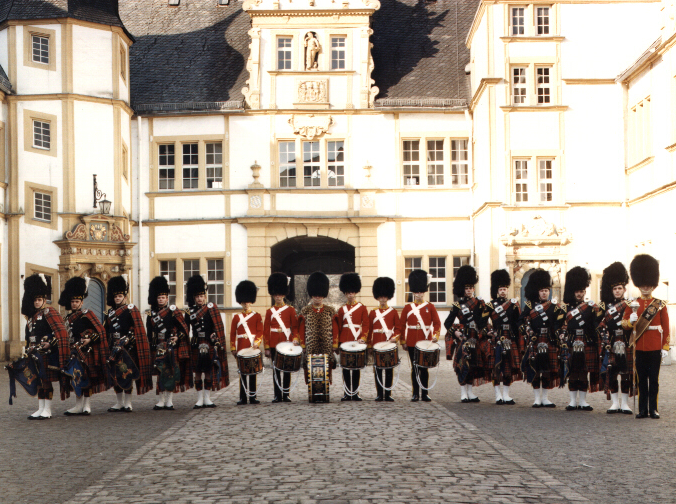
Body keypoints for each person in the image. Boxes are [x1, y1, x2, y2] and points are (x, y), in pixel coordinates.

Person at [622, 254, 670, 419]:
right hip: (639, 346)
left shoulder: (660, 305)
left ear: (653, 286)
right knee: (641, 379)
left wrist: (665, 347)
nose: (645, 288)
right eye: (643, 285)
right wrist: (630, 321)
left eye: (648, 285)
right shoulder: (632, 304)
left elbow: (666, 327)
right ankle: (642, 409)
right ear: (639, 285)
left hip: (655, 346)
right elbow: (623, 323)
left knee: (654, 381)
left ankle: (653, 409)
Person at [59, 276, 109, 416]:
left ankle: (87, 405)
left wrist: (89, 340)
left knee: (87, 378)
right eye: (73, 302)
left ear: (82, 302)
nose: (74, 304)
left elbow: (100, 332)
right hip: (73, 352)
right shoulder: (67, 319)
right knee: (76, 378)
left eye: (77, 301)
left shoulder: (87, 314)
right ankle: (78, 405)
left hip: (87, 351)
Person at [22, 274, 70, 420]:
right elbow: (28, 336)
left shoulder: (50, 312)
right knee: (38, 382)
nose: (37, 302)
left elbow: (61, 333)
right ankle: (40, 408)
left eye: (39, 300)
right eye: (35, 300)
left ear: (44, 300)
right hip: (34, 354)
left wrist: (51, 342)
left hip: (47, 354)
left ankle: (47, 409)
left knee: (46, 381)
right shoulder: (32, 317)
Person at [104, 275, 153, 412]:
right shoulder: (110, 313)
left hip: (127, 347)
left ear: (125, 297)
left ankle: (128, 403)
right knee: (115, 375)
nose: (118, 298)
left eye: (120, 296)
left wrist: (129, 339)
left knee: (127, 374)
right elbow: (106, 330)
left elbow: (137, 328)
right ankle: (119, 403)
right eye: (116, 296)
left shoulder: (131, 310)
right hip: (114, 347)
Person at [519, 269, 566, 408]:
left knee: (547, 371)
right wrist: (528, 332)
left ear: (549, 291)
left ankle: (545, 398)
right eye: (542, 290)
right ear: (537, 292)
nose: (544, 293)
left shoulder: (555, 307)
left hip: (549, 341)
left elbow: (561, 323)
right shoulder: (529, 306)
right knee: (535, 368)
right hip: (536, 340)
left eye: (546, 290)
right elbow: (520, 322)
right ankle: (536, 399)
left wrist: (560, 334)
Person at [146, 276, 192, 410]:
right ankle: (160, 400)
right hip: (158, 346)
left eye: (163, 297)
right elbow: (149, 333)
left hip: (171, 346)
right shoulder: (151, 314)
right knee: (160, 373)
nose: (161, 300)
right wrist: (150, 345)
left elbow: (184, 329)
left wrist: (177, 338)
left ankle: (169, 400)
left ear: (167, 298)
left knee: (171, 372)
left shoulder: (173, 311)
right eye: (159, 297)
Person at [562, 266, 602, 411]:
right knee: (573, 371)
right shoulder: (566, 309)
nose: (579, 294)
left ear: (585, 292)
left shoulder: (591, 307)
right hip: (572, 341)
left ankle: (583, 401)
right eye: (577, 291)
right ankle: (572, 401)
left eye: (581, 291)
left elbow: (597, 323)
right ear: (574, 292)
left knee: (584, 371)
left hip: (587, 341)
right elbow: (561, 325)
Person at [444, 265, 486, 403]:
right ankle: (463, 392)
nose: (468, 291)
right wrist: (455, 332)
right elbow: (447, 323)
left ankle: (470, 392)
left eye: (471, 288)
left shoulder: (480, 303)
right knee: (463, 364)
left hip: (475, 338)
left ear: (474, 289)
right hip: (463, 337)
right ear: (463, 289)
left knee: (474, 365)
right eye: (466, 288)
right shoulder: (458, 305)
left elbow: (483, 321)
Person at [186, 275, 229, 409]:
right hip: (196, 343)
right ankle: (199, 399)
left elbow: (218, 326)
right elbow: (185, 328)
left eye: (202, 296)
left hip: (209, 343)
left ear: (205, 297)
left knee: (209, 370)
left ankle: (208, 398)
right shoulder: (189, 312)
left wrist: (215, 335)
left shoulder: (211, 309)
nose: (200, 298)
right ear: (194, 297)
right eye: (197, 296)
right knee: (198, 371)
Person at [598, 261, 634, 414]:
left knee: (626, 374)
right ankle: (614, 403)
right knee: (611, 373)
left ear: (624, 289)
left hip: (626, 343)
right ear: (611, 290)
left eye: (620, 288)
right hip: (611, 343)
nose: (617, 291)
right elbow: (600, 326)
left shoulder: (631, 305)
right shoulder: (604, 307)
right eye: (615, 289)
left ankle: (625, 403)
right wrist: (606, 342)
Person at [400, 269, 441, 402]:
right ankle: (415, 393)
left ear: (424, 292)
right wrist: (403, 341)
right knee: (415, 368)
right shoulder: (408, 308)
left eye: (421, 292)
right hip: (412, 341)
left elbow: (437, 323)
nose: (419, 294)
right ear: (413, 292)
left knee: (424, 368)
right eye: (416, 292)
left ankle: (425, 393)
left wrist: (435, 335)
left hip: (426, 341)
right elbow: (402, 325)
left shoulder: (430, 306)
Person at [483, 269, 521, 405]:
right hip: (496, 339)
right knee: (496, 368)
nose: (503, 291)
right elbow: (482, 322)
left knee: (508, 368)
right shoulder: (490, 305)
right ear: (497, 290)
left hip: (509, 339)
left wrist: (518, 339)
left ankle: (506, 395)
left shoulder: (513, 305)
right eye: (501, 289)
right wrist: (489, 331)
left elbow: (518, 322)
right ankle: (497, 395)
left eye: (505, 288)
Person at [263, 272, 300, 403]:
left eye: (280, 294)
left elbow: (294, 327)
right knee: (276, 370)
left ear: (284, 294)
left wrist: (295, 338)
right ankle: (277, 395)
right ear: (273, 295)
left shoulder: (290, 310)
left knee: (287, 369)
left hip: (287, 342)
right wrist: (266, 347)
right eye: (276, 295)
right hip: (273, 343)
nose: (278, 297)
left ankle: (286, 394)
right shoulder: (269, 311)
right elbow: (266, 330)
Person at [334, 273, 369, 401]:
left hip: (357, 339)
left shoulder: (362, 308)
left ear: (356, 293)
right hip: (344, 340)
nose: (350, 295)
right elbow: (338, 327)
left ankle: (355, 392)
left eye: (352, 292)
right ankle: (346, 392)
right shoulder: (342, 309)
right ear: (345, 293)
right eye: (348, 293)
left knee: (356, 367)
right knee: (345, 367)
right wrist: (337, 343)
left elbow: (366, 324)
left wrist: (363, 338)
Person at [299, 272, 337, 387]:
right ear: (312, 295)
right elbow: (301, 330)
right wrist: (303, 346)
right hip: (311, 346)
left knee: (326, 369)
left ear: (323, 295)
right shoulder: (305, 311)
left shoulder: (330, 311)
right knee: (311, 371)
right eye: (315, 295)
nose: (317, 297)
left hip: (326, 345)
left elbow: (335, 329)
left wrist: (335, 345)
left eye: (320, 295)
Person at [230, 280, 263, 405]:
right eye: (244, 302)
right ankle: (243, 397)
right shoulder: (236, 317)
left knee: (253, 372)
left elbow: (260, 331)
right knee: (242, 373)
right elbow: (232, 334)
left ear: (251, 302)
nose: (246, 304)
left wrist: (257, 343)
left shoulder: (257, 316)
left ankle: (253, 396)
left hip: (252, 346)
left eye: (248, 302)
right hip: (241, 347)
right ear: (241, 302)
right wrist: (233, 348)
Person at [369, 276, 400, 402]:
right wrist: (369, 345)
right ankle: (379, 393)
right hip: (377, 342)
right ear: (377, 297)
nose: (382, 299)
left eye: (385, 297)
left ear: (388, 297)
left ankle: (388, 394)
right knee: (377, 369)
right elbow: (369, 330)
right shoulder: (372, 313)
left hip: (389, 343)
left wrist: (395, 338)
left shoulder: (393, 312)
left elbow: (398, 328)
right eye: (380, 296)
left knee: (388, 368)